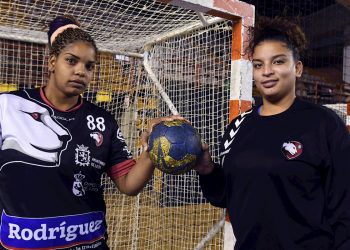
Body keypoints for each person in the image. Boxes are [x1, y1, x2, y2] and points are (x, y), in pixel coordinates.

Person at [0, 16, 178, 250]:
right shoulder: (8, 107)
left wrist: (153, 146)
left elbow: (128, 184)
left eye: (89, 66)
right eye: (71, 61)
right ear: (52, 62)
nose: (80, 71)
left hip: (88, 243)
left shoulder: (103, 121)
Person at [195, 17, 350, 250]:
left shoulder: (324, 125)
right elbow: (227, 196)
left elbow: (344, 208)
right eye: (258, 65)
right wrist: (207, 170)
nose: (266, 71)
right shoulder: (237, 127)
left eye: (277, 61)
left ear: (297, 68)